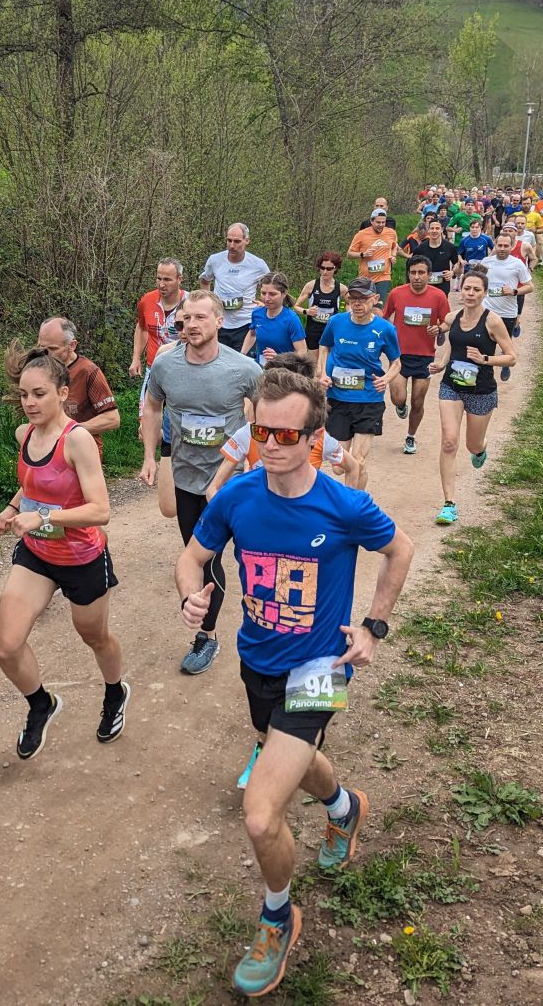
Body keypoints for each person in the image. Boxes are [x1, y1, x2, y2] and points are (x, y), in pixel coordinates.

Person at [176, 368, 414, 997]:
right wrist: (189, 598)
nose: (272, 444)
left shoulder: (343, 504)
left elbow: (402, 550)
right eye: (262, 431)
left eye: (286, 433)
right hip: (257, 660)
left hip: (319, 671)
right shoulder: (238, 496)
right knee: (296, 757)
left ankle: (278, 915)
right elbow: (192, 557)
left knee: (259, 815)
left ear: (313, 436)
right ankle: (345, 806)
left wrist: (374, 627)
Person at [0, 343, 126, 759]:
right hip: (37, 554)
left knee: (95, 637)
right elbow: (34, 483)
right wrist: (13, 508)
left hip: (82, 558)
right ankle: (40, 704)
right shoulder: (24, 434)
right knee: (5, 646)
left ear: (63, 393)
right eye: (24, 395)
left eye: (39, 394)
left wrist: (44, 519)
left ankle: (115, 692)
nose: (29, 403)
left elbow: (100, 510)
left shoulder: (78, 440)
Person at [140, 291, 261, 675]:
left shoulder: (244, 369)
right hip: (188, 480)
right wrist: (149, 455)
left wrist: (261, 464)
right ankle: (207, 637)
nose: (191, 325)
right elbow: (153, 407)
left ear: (219, 322)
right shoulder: (165, 364)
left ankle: (269, 623)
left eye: (199, 318)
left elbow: (265, 417)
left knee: (255, 559)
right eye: (185, 319)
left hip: (233, 483)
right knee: (204, 560)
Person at [429, 267, 518, 526]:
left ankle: (481, 449)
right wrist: (441, 363)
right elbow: (449, 343)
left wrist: (485, 359)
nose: (470, 293)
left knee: (472, 445)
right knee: (448, 442)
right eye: (467, 288)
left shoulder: (492, 321)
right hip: (452, 386)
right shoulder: (453, 316)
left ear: (484, 293)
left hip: (481, 391)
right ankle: (449, 504)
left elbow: (511, 357)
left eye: (476, 289)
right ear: (461, 290)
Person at [205, 354, 362, 500]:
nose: (271, 444)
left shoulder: (319, 438)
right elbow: (213, 489)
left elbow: (353, 467)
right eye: (262, 433)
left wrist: (348, 515)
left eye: (288, 436)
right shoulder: (248, 432)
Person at [315, 277, 400, 477]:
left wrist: (385, 379)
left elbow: (396, 362)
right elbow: (324, 346)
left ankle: (354, 506)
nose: (357, 303)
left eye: (362, 298)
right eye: (353, 298)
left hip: (369, 400)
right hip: (338, 399)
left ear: (375, 299)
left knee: (358, 462)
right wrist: (323, 373)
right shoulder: (336, 322)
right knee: (338, 467)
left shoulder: (385, 329)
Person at [132, 259, 186, 522]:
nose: (161, 284)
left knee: (176, 421)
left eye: (167, 279)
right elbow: (141, 328)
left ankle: (179, 460)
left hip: (183, 370)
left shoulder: (191, 304)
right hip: (155, 368)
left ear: (179, 280)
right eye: (158, 278)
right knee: (146, 423)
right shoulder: (147, 301)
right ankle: (150, 462)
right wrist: (136, 358)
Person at [381, 256, 452, 456]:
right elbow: (385, 318)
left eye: (421, 273)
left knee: (418, 401)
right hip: (399, 355)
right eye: (413, 273)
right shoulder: (397, 293)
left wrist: (438, 329)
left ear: (429, 275)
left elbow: (448, 322)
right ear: (408, 274)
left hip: (425, 356)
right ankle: (400, 405)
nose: (417, 277)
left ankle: (411, 436)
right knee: (398, 397)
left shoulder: (438, 296)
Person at [35, 317, 120, 443]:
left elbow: (112, 419)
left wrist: (70, 432)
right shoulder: (38, 367)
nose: (46, 354)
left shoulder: (88, 371)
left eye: (53, 349)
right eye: (42, 347)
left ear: (72, 345)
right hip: (46, 445)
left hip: (80, 448)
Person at [199, 224, 270, 350]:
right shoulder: (215, 260)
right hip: (219, 323)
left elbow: (271, 286)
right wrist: (208, 302)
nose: (232, 245)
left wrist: (265, 302)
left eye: (237, 241)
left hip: (246, 324)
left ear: (247, 241)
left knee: (242, 365)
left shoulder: (258, 265)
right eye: (229, 240)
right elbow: (205, 280)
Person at [476, 231, 533, 382]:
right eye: (499, 245)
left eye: (506, 246)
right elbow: (477, 280)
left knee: (505, 343)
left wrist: (514, 291)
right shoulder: (486, 262)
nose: (502, 248)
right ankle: (485, 373)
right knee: (485, 343)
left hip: (507, 312)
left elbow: (529, 287)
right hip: (487, 310)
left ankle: (505, 363)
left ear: (511, 246)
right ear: (495, 245)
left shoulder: (517, 264)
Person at [242, 273, 308, 365]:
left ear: (284, 293)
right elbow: (252, 334)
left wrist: (279, 358)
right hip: (261, 368)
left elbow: (302, 352)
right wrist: (242, 355)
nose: (267, 298)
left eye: (272, 294)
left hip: (283, 372)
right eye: (263, 293)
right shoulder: (257, 313)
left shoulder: (291, 319)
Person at [347, 206, 399, 305]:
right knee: (365, 306)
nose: (381, 225)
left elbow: (394, 246)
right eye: (378, 222)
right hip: (366, 277)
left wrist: (393, 256)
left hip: (384, 276)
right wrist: (363, 254)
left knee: (378, 306)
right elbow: (349, 254)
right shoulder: (361, 234)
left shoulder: (391, 232)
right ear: (371, 221)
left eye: (383, 222)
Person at [294, 252, 344, 352]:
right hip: (313, 331)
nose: (325, 271)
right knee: (314, 364)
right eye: (322, 268)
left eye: (329, 269)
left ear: (335, 269)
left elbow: (351, 304)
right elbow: (296, 306)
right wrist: (306, 311)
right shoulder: (311, 285)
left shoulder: (341, 288)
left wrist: (346, 318)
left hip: (331, 330)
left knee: (328, 364)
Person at [415, 218, 459, 299]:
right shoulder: (420, 248)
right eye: (432, 228)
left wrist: (452, 272)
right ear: (428, 230)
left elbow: (455, 263)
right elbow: (413, 266)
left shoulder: (450, 247)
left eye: (437, 228)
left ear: (442, 230)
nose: (434, 231)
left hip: (443, 285)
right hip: (425, 285)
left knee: (441, 310)